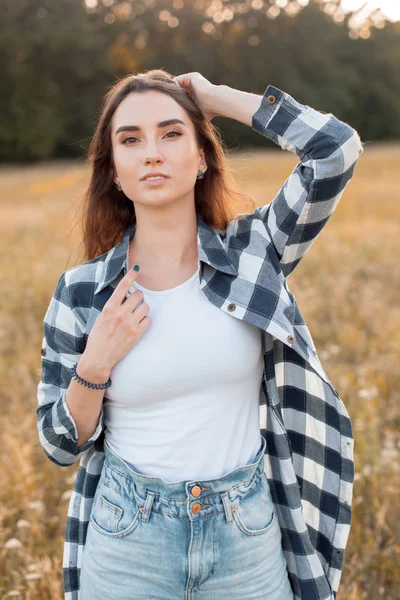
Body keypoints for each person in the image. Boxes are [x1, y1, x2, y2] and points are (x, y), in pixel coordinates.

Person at [36, 69, 364, 600]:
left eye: (171, 133)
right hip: (127, 540)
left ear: (202, 155)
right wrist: (93, 367)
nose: (152, 153)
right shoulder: (82, 292)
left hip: (247, 534)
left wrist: (214, 97)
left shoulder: (254, 252)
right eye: (131, 140)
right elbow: (57, 445)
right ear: (114, 171)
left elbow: (335, 151)